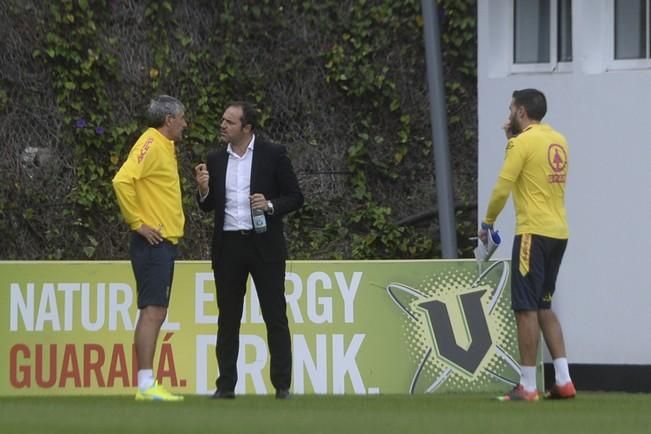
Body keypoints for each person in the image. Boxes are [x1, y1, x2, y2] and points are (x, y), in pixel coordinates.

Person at [195, 101, 303, 399]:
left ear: (247, 128)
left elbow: (295, 197)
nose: (223, 125)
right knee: (228, 317)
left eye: (229, 122)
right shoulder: (215, 159)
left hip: (264, 245)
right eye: (223, 120)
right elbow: (207, 207)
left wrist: (269, 205)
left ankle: (282, 385)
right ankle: (225, 385)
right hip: (229, 245)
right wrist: (203, 189)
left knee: (274, 314)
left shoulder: (273, 154)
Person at [480, 89, 575, 401]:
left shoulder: (522, 143)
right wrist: (511, 142)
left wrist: (488, 222)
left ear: (521, 111)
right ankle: (563, 380)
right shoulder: (557, 139)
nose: (509, 115)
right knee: (544, 304)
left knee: (525, 308)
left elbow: (503, 186)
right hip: (558, 232)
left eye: (511, 109)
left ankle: (528, 386)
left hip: (532, 233)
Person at [112, 95, 187, 401]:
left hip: (162, 244)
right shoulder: (151, 143)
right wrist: (137, 223)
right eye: (182, 117)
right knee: (153, 311)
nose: (185, 123)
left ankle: (146, 383)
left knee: (156, 310)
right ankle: (145, 385)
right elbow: (122, 180)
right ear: (169, 119)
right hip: (153, 242)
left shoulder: (164, 146)